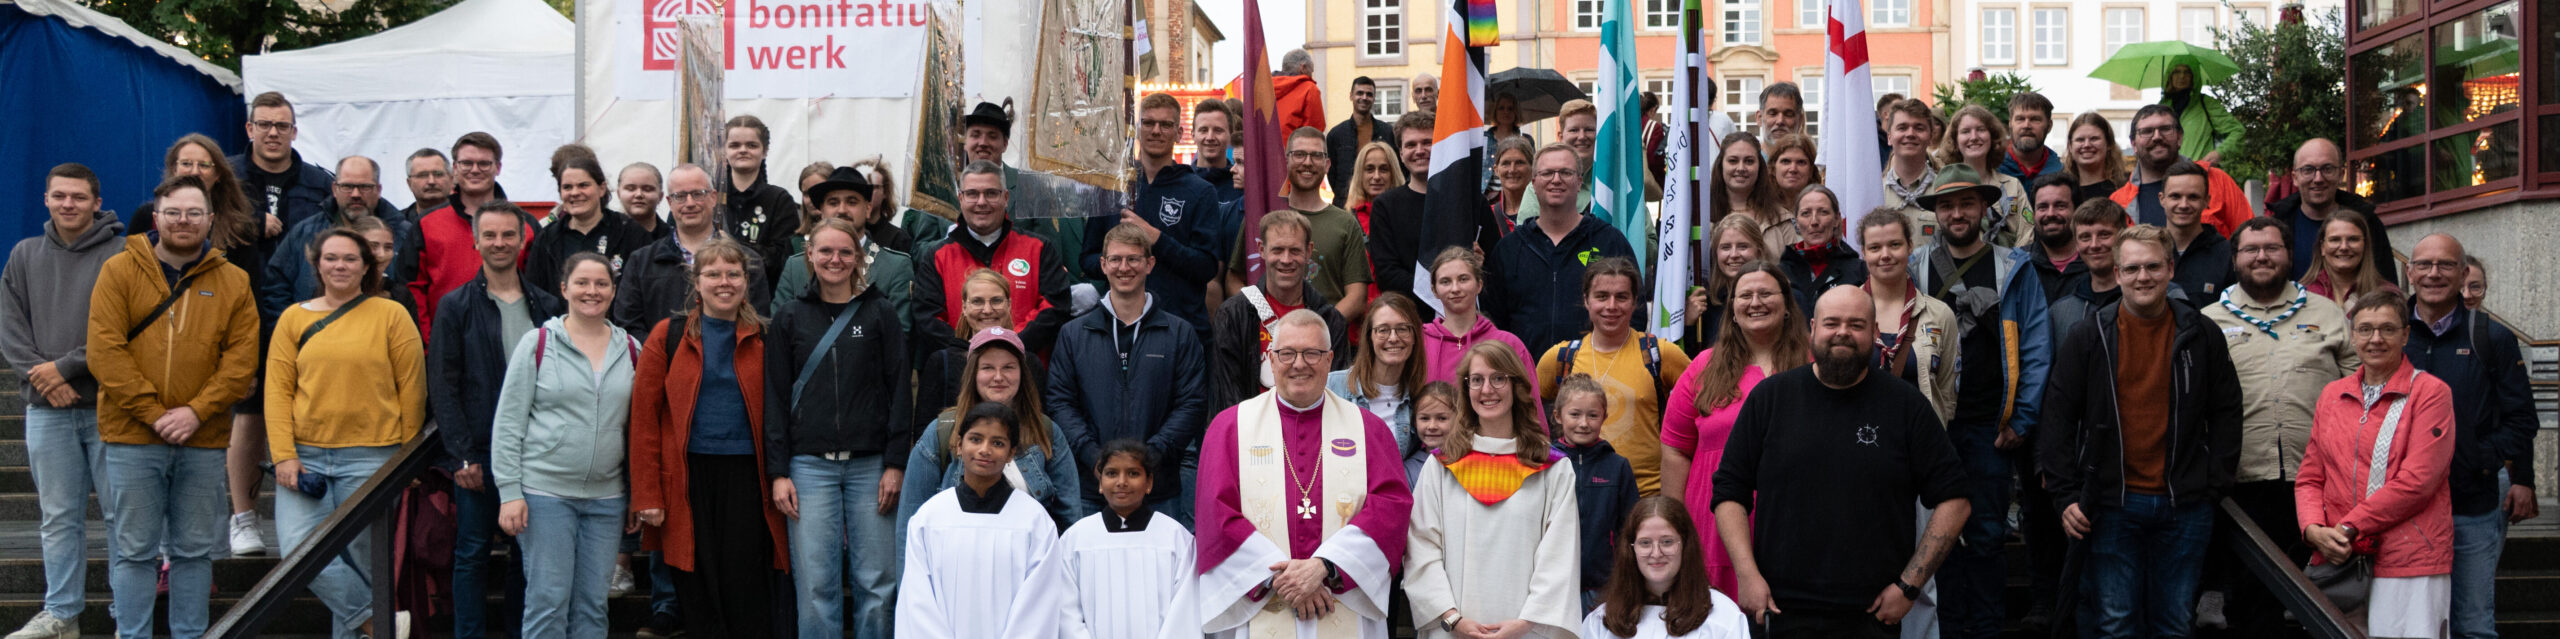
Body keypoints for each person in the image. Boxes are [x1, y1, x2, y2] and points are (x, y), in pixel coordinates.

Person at [1712, 286, 1970, 638]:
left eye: (1856, 324)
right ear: (1813, 328)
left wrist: (1910, 585)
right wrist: (1746, 574)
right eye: (1832, 323)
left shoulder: (1905, 405)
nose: (1842, 332)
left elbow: (1955, 500)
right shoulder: (1770, 399)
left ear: (1874, 332)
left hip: (1873, 615)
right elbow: (1729, 491)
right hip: (1780, 609)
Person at [2038, 224, 2244, 637]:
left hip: (2184, 504)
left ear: (2171, 269)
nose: (2143, 277)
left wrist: (2214, 482)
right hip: (2112, 503)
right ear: (2117, 274)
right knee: (2116, 623)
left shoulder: (2201, 333)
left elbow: (2227, 411)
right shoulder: (2090, 335)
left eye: (2153, 266)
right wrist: (2065, 495)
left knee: (2175, 623)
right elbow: (2057, 417)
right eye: (2132, 269)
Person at [87, 175, 262, 639]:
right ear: (156, 217)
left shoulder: (234, 281)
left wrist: (196, 411)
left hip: (203, 438)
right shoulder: (117, 271)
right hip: (131, 436)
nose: (183, 221)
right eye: (174, 213)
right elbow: (104, 352)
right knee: (134, 552)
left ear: (210, 219)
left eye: (193, 213)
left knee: (194, 551)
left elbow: (241, 360)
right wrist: (153, 413)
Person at [1195, 309, 1415, 639]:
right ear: (1271, 360)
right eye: (1287, 354)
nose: (1299, 364)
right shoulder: (1229, 428)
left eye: (1312, 353)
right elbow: (1215, 515)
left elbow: (1390, 507)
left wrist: (1326, 566)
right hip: (1262, 596)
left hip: (1341, 596)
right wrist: (1284, 579)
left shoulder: (1368, 430)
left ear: (1329, 360)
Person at [1906, 162, 2052, 638]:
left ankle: (1986, 631)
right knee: (1936, 537)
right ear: (1936, 213)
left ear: (1984, 207)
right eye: (1947, 205)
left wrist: (2022, 418)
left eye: (1966, 203)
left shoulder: (2016, 267)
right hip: (1932, 428)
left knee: (1987, 535)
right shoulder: (1916, 266)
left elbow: (2036, 344)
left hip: (1991, 424)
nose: (1957, 213)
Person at [2199, 216, 2358, 634]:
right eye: (2251, 249)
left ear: (2290, 255)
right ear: (2235, 258)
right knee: (2249, 604)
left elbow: (2360, 392)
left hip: (2319, 483)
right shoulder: (2208, 321)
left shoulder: (2327, 314)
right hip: (2241, 483)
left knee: (2313, 607)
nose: (2262, 257)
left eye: (2272, 248)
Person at [268, 228, 429, 639]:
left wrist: (406, 458)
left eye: (350, 258)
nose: (340, 266)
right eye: (331, 258)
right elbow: (277, 391)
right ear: (317, 265)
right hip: (305, 456)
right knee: (300, 553)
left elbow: (412, 388)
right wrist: (284, 455)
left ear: (366, 266)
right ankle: (380, 624)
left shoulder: (391, 314)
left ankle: (370, 627)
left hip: (373, 456)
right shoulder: (292, 318)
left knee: (363, 564)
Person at [628, 239, 789, 639]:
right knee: (696, 583)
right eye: (713, 274)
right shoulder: (668, 335)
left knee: (746, 581)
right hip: (686, 477)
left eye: (733, 274)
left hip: (749, 475)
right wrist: (647, 494)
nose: (724, 282)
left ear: (746, 281)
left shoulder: (767, 336)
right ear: (696, 282)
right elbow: (644, 419)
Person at [761, 217, 911, 638]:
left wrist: (895, 463)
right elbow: (774, 398)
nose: (835, 259)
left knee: (877, 584)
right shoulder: (790, 317)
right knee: (815, 586)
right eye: (825, 250)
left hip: (871, 465)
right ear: (809, 255)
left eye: (845, 252)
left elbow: (900, 389)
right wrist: (778, 472)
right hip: (808, 467)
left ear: (859, 257)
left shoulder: (880, 312)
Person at [1, 164, 126, 639]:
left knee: (121, 518)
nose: (68, 204)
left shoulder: (122, 254)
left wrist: (64, 368)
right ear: (46, 200)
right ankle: (61, 615)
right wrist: (44, 377)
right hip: (46, 411)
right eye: (59, 196)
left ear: (97, 203)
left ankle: (127, 614)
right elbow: (10, 326)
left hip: (110, 408)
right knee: (57, 519)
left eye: (78, 197)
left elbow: (126, 329)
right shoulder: (24, 254)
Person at [490, 252, 639, 639]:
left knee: (593, 605)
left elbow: (640, 430)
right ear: (564, 288)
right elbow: (508, 422)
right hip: (545, 494)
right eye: (582, 283)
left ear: (613, 290)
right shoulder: (538, 343)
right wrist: (509, 492)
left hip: (607, 499)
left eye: (601, 284)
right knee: (548, 601)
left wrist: (637, 492)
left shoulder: (631, 349)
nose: (592, 291)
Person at [431, 202, 561, 638]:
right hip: (479, 451)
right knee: (472, 551)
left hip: (536, 451)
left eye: (508, 234)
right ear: (475, 241)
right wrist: (461, 454)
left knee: (528, 556)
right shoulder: (455, 306)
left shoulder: (547, 305)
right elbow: (444, 385)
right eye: (490, 235)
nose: (500, 243)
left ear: (523, 239)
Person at [2400, 234, 2537, 639]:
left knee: (2472, 625)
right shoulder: (2390, 331)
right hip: (2399, 507)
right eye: (2424, 265)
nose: (2434, 273)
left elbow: (2522, 419)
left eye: (2445, 265)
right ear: (2409, 272)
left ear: (2463, 275)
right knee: (2404, 624)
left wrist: (2481, 457)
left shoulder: (2492, 337)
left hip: (2471, 504)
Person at [2300, 289, 2457, 637]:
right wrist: (2312, 529)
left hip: (2409, 557)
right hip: (2343, 560)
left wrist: (2347, 527)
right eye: (2365, 329)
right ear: (2352, 335)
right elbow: (2310, 476)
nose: (2375, 339)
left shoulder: (2430, 392)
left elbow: (2418, 482)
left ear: (2406, 335)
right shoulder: (2333, 394)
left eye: (2387, 329)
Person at [1406, 342, 1583, 638]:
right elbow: (1421, 547)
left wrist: (1525, 623)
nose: (1487, 390)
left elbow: (1560, 554)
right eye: (1476, 380)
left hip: (1526, 631)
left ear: (1516, 385)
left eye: (1498, 378)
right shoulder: (1441, 466)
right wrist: (1452, 618)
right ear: (1466, 389)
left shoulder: (1551, 468)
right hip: (1455, 630)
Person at [1662, 261, 1808, 594]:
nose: (1755, 302)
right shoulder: (1704, 367)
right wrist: (1675, 528)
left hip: (1792, 520)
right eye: (1745, 295)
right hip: (1711, 525)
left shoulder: (1812, 363)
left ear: (1787, 305)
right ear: (1732, 309)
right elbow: (1674, 449)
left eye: (1766, 293)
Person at [1049, 223, 1210, 520]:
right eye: (1116, 259)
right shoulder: (1073, 334)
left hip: (1159, 488)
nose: (1124, 268)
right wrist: (1093, 456)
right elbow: (1060, 402)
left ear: (1150, 264)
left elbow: (1192, 403)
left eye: (1133, 259)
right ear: (1103, 265)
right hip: (1092, 488)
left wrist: (1150, 457)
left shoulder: (1179, 333)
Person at [894, 401, 1069, 637]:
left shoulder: (1034, 521)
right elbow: (917, 600)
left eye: (998, 443)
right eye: (975, 439)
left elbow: (1039, 603)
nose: (985, 450)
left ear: (1011, 453)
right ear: (959, 446)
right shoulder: (930, 518)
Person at [899, 327, 1085, 530]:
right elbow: (912, 519)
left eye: (1008, 367)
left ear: (1022, 374)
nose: (998, 377)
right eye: (987, 367)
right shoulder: (941, 431)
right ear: (973, 373)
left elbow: (1070, 517)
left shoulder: (1045, 430)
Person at [1534, 256, 1688, 498]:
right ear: (1586, 300)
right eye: (1602, 296)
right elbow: (1528, 416)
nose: (1611, 306)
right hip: (1576, 495)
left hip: (1646, 497)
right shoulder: (1560, 358)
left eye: (1622, 297)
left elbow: (1702, 407)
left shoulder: (1660, 354)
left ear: (1635, 302)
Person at [1086, 92, 1226, 341]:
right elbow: (1086, 259)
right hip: (1120, 328)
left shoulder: (1200, 191)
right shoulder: (1111, 186)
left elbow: (1206, 267)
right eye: (1148, 123)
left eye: (1165, 124)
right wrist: (1120, 264)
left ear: (1179, 133)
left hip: (1181, 330)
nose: (1156, 131)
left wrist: (1157, 239)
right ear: (1137, 129)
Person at [912, 160, 1077, 354]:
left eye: (991, 193)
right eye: (972, 194)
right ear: (960, 199)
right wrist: (969, 351)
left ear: (1006, 198)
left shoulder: (1039, 249)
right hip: (959, 366)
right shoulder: (937, 257)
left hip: (1026, 365)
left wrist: (1010, 343)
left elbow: (1055, 307)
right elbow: (928, 317)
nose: (982, 202)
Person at [1490, 143, 1639, 355]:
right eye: (1547, 173)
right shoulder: (1509, 249)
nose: (1556, 179)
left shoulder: (1609, 242)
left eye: (1566, 173)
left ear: (1579, 182)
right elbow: (1494, 322)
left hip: (1594, 370)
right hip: (1524, 371)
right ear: (1534, 183)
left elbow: (1635, 311)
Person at [1057, 440, 1201, 638]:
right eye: (1111, 473)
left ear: (1149, 482)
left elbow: (1185, 609)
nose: (1121, 482)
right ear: (1100, 482)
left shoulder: (1175, 537)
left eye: (1133, 473)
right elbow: (1066, 612)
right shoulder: (1076, 539)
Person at [1227, 127, 1372, 323]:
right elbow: (1234, 280)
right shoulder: (1262, 216)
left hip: (1325, 337)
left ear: (1327, 164)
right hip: (1265, 335)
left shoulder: (1345, 223)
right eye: (1299, 154)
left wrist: (1318, 329)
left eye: (1316, 155)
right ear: (1285, 161)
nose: (1307, 162)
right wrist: (1267, 320)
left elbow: (1357, 296)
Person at [1211, 209, 1352, 408]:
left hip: (1312, 424)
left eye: (1295, 250)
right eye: (1277, 250)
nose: (1286, 260)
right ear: (1261, 250)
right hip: (1251, 424)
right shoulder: (1232, 315)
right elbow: (1227, 396)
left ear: (1309, 251)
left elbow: (1336, 395)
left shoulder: (1330, 320)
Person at [613, 164, 773, 334]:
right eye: (680, 196)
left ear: (713, 198)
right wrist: (660, 349)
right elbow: (628, 325)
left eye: (698, 194)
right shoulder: (641, 261)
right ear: (669, 202)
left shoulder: (747, 260)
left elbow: (757, 323)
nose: (689, 203)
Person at [773, 166, 920, 336]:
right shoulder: (796, 267)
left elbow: (899, 336)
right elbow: (778, 330)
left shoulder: (894, 267)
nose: (842, 210)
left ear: (868, 209)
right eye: (833, 202)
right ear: (822, 211)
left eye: (852, 202)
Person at [264, 155, 416, 316]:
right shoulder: (305, 232)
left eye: (365, 187)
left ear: (378, 190)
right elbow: (275, 289)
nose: (356, 194)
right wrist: (295, 327)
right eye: (347, 186)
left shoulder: (403, 234)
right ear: (334, 189)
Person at [1584, 497, 1753, 639]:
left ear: (1685, 545)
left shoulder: (1723, 617)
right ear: (1631, 549)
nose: (1656, 553)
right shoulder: (1601, 621)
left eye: (1667, 542)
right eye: (1645, 543)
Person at [414, 132, 529, 337]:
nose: (475, 170)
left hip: (513, 339)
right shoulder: (426, 224)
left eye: (484, 163)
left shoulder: (525, 225)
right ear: (455, 168)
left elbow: (536, 286)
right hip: (446, 340)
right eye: (467, 163)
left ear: (498, 167)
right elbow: (414, 291)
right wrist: (429, 344)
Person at [1857, 209, 1961, 422]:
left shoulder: (1940, 315)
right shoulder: (1845, 311)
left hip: (1920, 437)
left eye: (1895, 244)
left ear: (1910, 246)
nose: (1885, 255)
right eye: (1875, 248)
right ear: (1863, 253)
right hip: (1857, 434)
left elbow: (1946, 393)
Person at [1554, 373, 1638, 610]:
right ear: (1558, 416)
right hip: (1555, 586)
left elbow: (1629, 528)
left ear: (1604, 417)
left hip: (1603, 586)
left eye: (1593, 415)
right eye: (1575, 414)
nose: (1584, 423)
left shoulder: (1618, 467)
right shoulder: (1545, 463)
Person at [913, 270, 1037, 426]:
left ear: (1009, 305)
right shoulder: (942, 361)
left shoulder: (1028, 362)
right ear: (964, 307)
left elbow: (1039, 424)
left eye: (996, 301)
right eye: (977, 302)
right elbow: (924, 428)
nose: (987, 310)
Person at [527, 149, 654, 297]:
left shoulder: (631, 233)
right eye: (567, 187)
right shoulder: (547, 238)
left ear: (601, 189)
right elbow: (535, 294)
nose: (575, 193)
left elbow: (648, 288)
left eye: (583, 185)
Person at [2267, 139, 2396, 285]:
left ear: (2341, 174)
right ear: (2295, 178)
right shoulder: (2278, 226)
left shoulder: (2367, 222)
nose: (2318, 179)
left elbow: (2386, 283)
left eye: (2327, 169)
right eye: (2308, 170)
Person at [2110, 105, 2249, 235]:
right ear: (2133, 144)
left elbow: (2249, 239)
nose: (2157, 136)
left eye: (2165, 129)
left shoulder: (2217, 181)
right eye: (2146, 131)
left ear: (2179, 138)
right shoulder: (2118, 202)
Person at [1330, 292, 1429, 459]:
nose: (1393, 338)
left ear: (1414, 337)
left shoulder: (1418, 398)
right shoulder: (1333, 387)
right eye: (1383, 330)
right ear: (1370, 337)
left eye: (1402, 329)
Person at [1419, 247, 1534, 387]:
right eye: (1445, 282)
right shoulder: (1419, 342)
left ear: (1479, 285)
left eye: (1463, 279)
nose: (1455, 289)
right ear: (1434, 290)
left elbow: (1528, 399)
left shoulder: (1509, 344)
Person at [715, 115, 802, 285]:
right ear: (724, 151)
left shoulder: (779, 200)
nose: (743, 150)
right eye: (734, 145)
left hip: (762, 292)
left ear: (765, 151)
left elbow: (781, 259)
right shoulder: (710, 197)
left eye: (751, 145)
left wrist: (734, 246)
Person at [236, 92, 336, 237]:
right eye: (264, 125)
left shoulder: (321, 183)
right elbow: (207, 221)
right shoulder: (226, 176)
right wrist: (251, 223)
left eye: (282, 126)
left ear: (294, 132)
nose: (273, 133)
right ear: (250, 130)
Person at [1935, 105, 2035, 247]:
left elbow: (2027, 234)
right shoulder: (1942, 186)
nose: (1974, 137)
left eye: (1981, 130)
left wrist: (2011, 260)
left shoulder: (2012, 185)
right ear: (1955, 141)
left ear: (1992, 137)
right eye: (1965, 131)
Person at [1367, 111, 1439, 307]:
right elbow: (1387, 273)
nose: (1419, 151)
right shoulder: (1385, 206)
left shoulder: (1468, 200)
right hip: (1409, 315)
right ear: (1400, 153)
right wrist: (1440, 292)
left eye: (1427, 142)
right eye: (1410, 145)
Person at [2048, 199, 2133, 349]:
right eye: (2085, 237)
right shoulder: (2060, 312)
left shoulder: (2156, 298)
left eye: (2104, 235)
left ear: (2123, 238)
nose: (2094, 245)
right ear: (2076, 244)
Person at [1682, 216, 1772, 354]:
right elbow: (1691, 360)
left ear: (1758, 252)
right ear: (1716, 254)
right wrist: (1689, 324)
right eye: (1726, 247)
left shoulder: (1778, 298)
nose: (1734, 254)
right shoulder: (1708, 306)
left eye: (1743, 246)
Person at [1780, 185, 1866, 312]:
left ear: (1837, 219)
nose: (1814, 221)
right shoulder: (1781, 273)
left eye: (1823, 212)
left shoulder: (1859, 271)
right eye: (1806, 213)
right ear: (1796, 222)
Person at [2160, 160, 2236, 298]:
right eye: (2175, 196)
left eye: (2193, 197)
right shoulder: (2148, 251)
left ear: (2206, 201)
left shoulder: (2227, 255)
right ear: (2162, 199)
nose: (2183, 205)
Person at [1710, 132, 1795, 251]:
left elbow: (1795, 262)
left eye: (1749, 161)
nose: (1741, 168)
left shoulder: (1781, 220)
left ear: (1760, 166)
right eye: (1733, 161)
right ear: (1721, 165)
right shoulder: (1701, 218)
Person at [1328, 76, 1397, 206]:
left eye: (1369, 94)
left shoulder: (1388, 132)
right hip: (1345, 204)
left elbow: (1396, 168)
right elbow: (1332, 173)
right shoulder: (1336, 134)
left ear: (1374, 98)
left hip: (1381, 203)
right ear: (1351, 96)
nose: (1364, 97)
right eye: (1360, 93)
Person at [1878, 99, 1942, 233]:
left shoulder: (1944, 192)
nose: (1910, 134)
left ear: (1930, 137)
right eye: (1902, 128)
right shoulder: (1876, 193)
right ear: (1889, 137)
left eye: (1919, 128)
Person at [2159, 64, 2243, 165]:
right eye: (2177, 72)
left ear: (2194, 77)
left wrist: (2220, 153)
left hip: (2199, 171)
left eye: (2187, 72)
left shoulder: (2205, 102)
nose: (2182, 76)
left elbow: (2237, 131)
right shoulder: (2161, 108)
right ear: (2170, 76)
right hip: (2166, 173)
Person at [2301, 214, 2395, 304]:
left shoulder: (2388, 295)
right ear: (2322, 247)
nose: (2344, 247)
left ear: (2365, 246)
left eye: (2353, 239)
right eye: (2335, 240)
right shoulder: (2303, 295)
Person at [2023, 173, 2085, 301]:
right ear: (2034, 214)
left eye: (2060, 206)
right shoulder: (2019, 264)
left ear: (2077, 211)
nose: (2050, 213)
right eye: (2042, 207)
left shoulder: (2094, 263)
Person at [1998, 92, 2065, 184]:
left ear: (2049, 126)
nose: (2026, 125)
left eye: (2035, 119)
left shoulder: (2064, 174)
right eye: (2020, 119)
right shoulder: (1991, 169)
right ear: (2010, 124)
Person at [2063, 113, 2128, 207]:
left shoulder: (2125, 189)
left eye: (2094, 139)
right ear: (2070, 146)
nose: (2086, 145)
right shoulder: (2063, 193)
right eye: (2080, 140)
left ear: (2109, 144)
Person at [1406, 382, 1462, 481]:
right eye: (1425, 418)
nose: (1432, 426)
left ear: (1458, 420)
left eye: (1442, 418)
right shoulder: (1409, 470)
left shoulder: (1469, 461)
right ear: (1414, 421)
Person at [1346, 142, 1404, 235]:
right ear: (1359, 175)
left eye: (1383, 169)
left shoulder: (1407, 215)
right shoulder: (1347, 221)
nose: (1377, 176)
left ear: (1393, 174)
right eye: (1369, 169)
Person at [1194, 98, 1245, 203]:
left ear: (1230, 134)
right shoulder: (1179, 184)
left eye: (1218, 130)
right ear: (1193, 134)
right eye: (1203, 130)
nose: (1210, 137)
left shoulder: (1243, 186)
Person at [1273, 49, 1327, 134]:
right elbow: (1314, 129)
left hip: (1266, 142)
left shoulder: (1264, 87)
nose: (1311, 75)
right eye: (1311, 71)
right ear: (1303, 68)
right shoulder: (1309, 88)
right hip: (1293, 142)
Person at [1487, 136, 1535, 226]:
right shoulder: (1488, 216)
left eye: (1519, 163)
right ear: (1496, 170)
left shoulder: (1545, 212)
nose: (1512, 170)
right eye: (1506, 163)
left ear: (1532, 168)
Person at [618, 162, 671, 241]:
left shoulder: (674, 240)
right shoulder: (604, 234)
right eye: (631, 188)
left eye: (647, 189)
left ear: (660, 196)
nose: (639, 194)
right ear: (619, 194)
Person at [403, 149, 455, 221]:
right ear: (409, 183)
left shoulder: (469, 219)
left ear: (451, 180)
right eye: (422, 175)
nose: (431, 181)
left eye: (438, 174)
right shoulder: (396, 224)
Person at [1767, 133, 1819, 201]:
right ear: (1773, 168)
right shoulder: (1760, 204)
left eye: (1801, 162)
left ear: (1811, 170)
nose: (1793, 169)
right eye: (1786, 161)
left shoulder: (1823, 204)